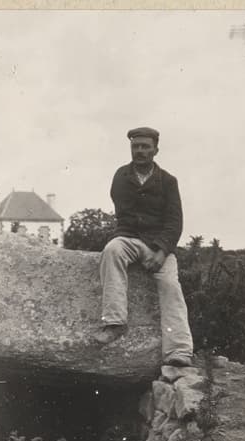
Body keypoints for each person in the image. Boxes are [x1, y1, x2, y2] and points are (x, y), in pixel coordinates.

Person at [94, 127, 194, 367]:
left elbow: (174, 222)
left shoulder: (168, 181)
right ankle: (114, 322)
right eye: (135, 146)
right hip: (129, 237)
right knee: (112, 250)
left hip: (159, 244)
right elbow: (124, 215)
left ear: (155, 150)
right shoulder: (121, 176)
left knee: (170, 284)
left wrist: (161, 251)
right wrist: (138, 245)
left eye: (145, 146)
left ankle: (179, 350)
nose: (139, 151)